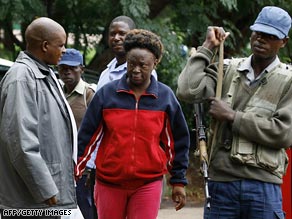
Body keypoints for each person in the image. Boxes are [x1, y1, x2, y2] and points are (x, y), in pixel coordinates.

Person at [177, 6, 292, 219]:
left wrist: (232, 116)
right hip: (221, 184)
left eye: (270, 36)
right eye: (258, 33)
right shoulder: (227, 68)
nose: (261, 39)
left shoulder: (288, 81)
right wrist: (208, 47)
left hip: (263, 187)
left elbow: (284, 133)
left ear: (283, 41)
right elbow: (187, 90)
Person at [75, 29, 190, 219]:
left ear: (155, 64)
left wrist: (178, 181)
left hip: (147, 183)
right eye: (131, 64)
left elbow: (177, 142)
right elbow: (87, 137)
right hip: (109, 183)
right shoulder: (107, 95)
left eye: (143, 65)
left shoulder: (165, 98)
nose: (136, 70)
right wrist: (76, 172)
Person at [0, 17, 77, 218]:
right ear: (45, 46)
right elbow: (20, 139)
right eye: (60, 45)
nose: (64, 50)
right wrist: (45, 186)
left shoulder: (46, 74)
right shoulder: (22, 78)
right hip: (29, 198)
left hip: (44, 195)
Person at [57, 48, 96, 219]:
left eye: (72, 68)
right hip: (59, 165)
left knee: (84, 209)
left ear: (82, 69)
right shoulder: (56, 92)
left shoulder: (89, 95)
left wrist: (90, 167)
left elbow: (98, 133)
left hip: (82, 167)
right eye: (63, 68)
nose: (67, 72)